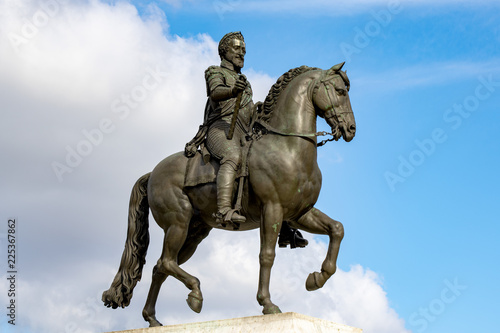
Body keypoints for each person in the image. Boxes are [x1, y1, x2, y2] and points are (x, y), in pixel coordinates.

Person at [186, 31, 308, 247]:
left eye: (243, 49)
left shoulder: (245, 81)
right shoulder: (215, 72)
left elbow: (246, 109)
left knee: (271, 165)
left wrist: (258, 111)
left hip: (243, 132)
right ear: (225, 51)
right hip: (220, 130)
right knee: (232, 155)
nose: (241, 53)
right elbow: (215, 93)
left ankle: (286, 227)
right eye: (237, 49)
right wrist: (233, 90)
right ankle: (224, 209)